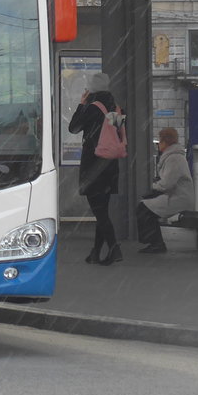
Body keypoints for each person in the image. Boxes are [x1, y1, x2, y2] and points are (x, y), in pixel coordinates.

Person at [69, 71, 123, 266]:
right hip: (110, 165)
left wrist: (82, 104)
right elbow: (116, 133)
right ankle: (96, 252)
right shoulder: (116, 108)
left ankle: (115, 248)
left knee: (99, 212)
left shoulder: (92, 108)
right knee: (102, 210)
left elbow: (73, 128)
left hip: (94, 166)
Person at [136, 127, 194, 254]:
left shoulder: (174, 158)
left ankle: (156, 243)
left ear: (165, 142)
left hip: (178, 198)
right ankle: (155, 242)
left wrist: (153, 188)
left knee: (144, 209)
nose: (159, 145)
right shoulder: (173, 156)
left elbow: (167, 183)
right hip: (174, 195)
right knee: (146, 208)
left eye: (160, 141)